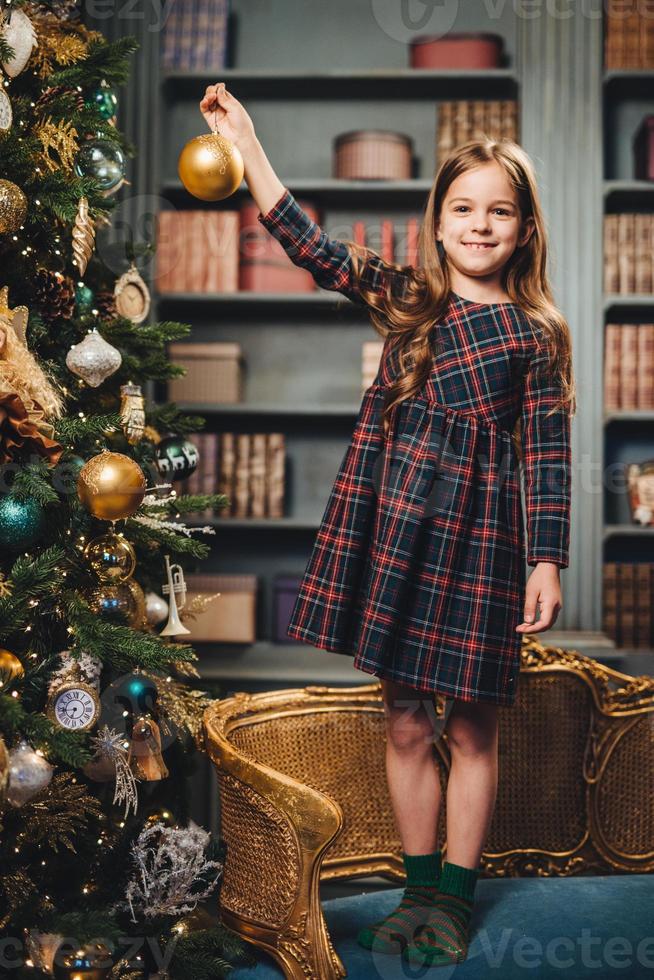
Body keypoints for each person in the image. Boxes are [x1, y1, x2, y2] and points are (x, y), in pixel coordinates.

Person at [199, 82, 575, 968]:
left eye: (500, 213)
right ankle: (415, 894)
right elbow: (309, 243)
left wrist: (548, 561)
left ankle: (456, 899)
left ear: (523, 230)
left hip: (484, 547)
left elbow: (549, 459)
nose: (480, 225)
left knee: (474, 728)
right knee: (404, 721)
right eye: (463, 209)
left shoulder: (536, 335)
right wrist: (247, 142)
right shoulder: (411, 299)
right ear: (437, 220)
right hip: (400, 536)